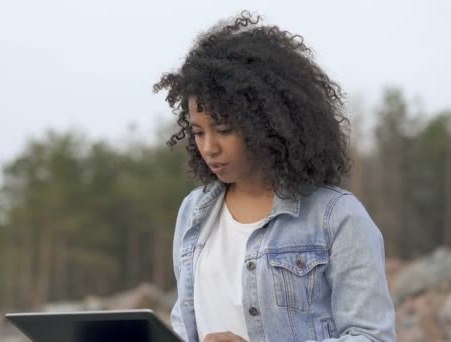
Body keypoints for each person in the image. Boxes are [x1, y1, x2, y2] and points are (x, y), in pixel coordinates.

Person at [153, 11, 396, 342]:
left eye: (224, 129)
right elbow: (186, 326)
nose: (209, 147)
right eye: (197, 132)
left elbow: (373, 337)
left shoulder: (337, 218)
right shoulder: (193, 213)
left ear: (265, 122)